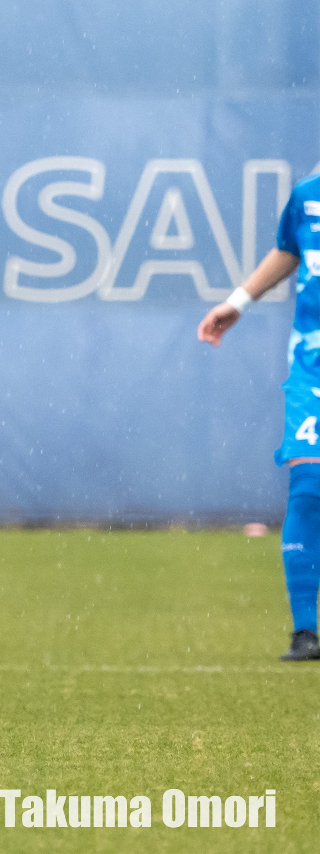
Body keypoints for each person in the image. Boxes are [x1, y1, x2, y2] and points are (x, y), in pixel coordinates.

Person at [199, 175, 320, 661]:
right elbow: (289, 249)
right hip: (313, 363)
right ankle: (305, 632)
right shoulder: (308, 192)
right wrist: (238, 302)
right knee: (308, 484)